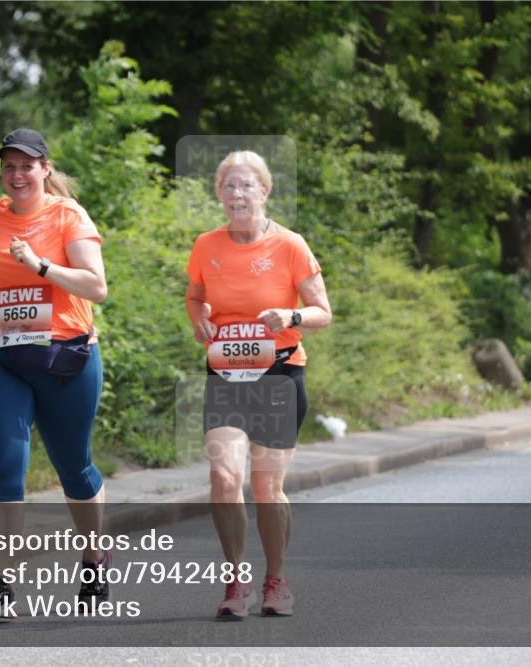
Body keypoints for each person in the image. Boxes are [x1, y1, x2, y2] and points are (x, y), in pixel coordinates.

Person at [0, 128, 110, 616]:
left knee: (74, 469)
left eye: (26, 166)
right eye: (9, 166)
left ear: (45, 169)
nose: (17, 175)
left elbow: (96, 286)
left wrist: (40, 265)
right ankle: (0, 586)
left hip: (66, 359)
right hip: (3, 355)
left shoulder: (68, 216)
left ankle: (95, 558)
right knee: (6, 464)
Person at [184, 151, 332, 620]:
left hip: (280, 374)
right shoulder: (206, 245)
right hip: (225, 373)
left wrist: (290, 316)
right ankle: (236, 578)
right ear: (219, 194)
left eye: (247, 186)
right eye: (229, 187)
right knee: (226, 478)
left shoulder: (289, 245)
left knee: (267, 487)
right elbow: (195, 296)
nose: (237, 194)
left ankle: (276, 577)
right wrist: (199, 321)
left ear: (264, 192)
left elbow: (322, 312)